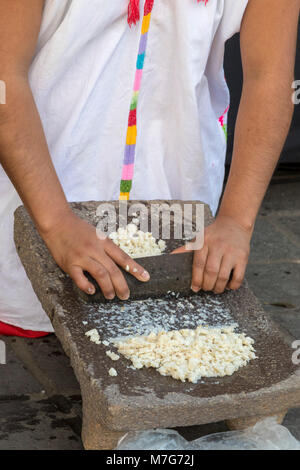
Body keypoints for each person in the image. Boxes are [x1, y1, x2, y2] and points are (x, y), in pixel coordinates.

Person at [0, 0, 298, 336]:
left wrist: (236, 222)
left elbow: (270, 79)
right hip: (35, 204)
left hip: (180, 226)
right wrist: (55, 223)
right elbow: (4, 76)